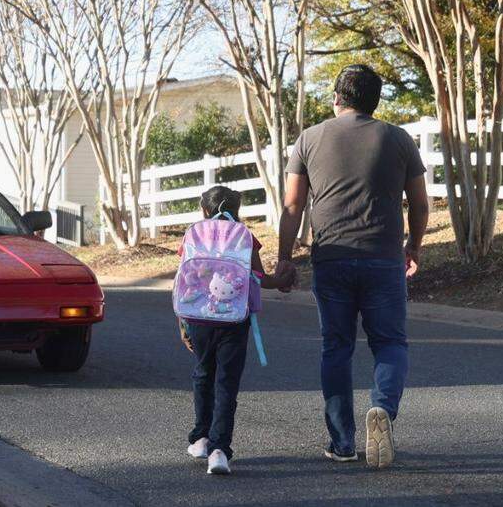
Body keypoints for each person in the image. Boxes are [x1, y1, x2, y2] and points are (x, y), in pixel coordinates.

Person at [276, 64, 429, 469]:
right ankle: (382, 410)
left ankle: (341, 441)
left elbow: (293, 206)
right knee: (391, 343)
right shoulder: (398, 139)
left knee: (336, 347)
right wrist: (413, 244)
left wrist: (285, 258)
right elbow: (419, 202)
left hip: (332, 258)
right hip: (383, 258)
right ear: (375, 101)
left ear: (337, 98)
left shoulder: (309, 138)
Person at [179, 186, 294, 475]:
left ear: (203, 209)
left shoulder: (193, 234)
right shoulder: (245, 237)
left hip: (199, 318)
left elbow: (185, 281)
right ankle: (220, 450)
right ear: (238, 209)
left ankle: (201, 438)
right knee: (227, 382)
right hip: (234, 319)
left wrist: (182, 323)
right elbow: (256, 278)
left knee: (204, 373)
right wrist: (281, 280)